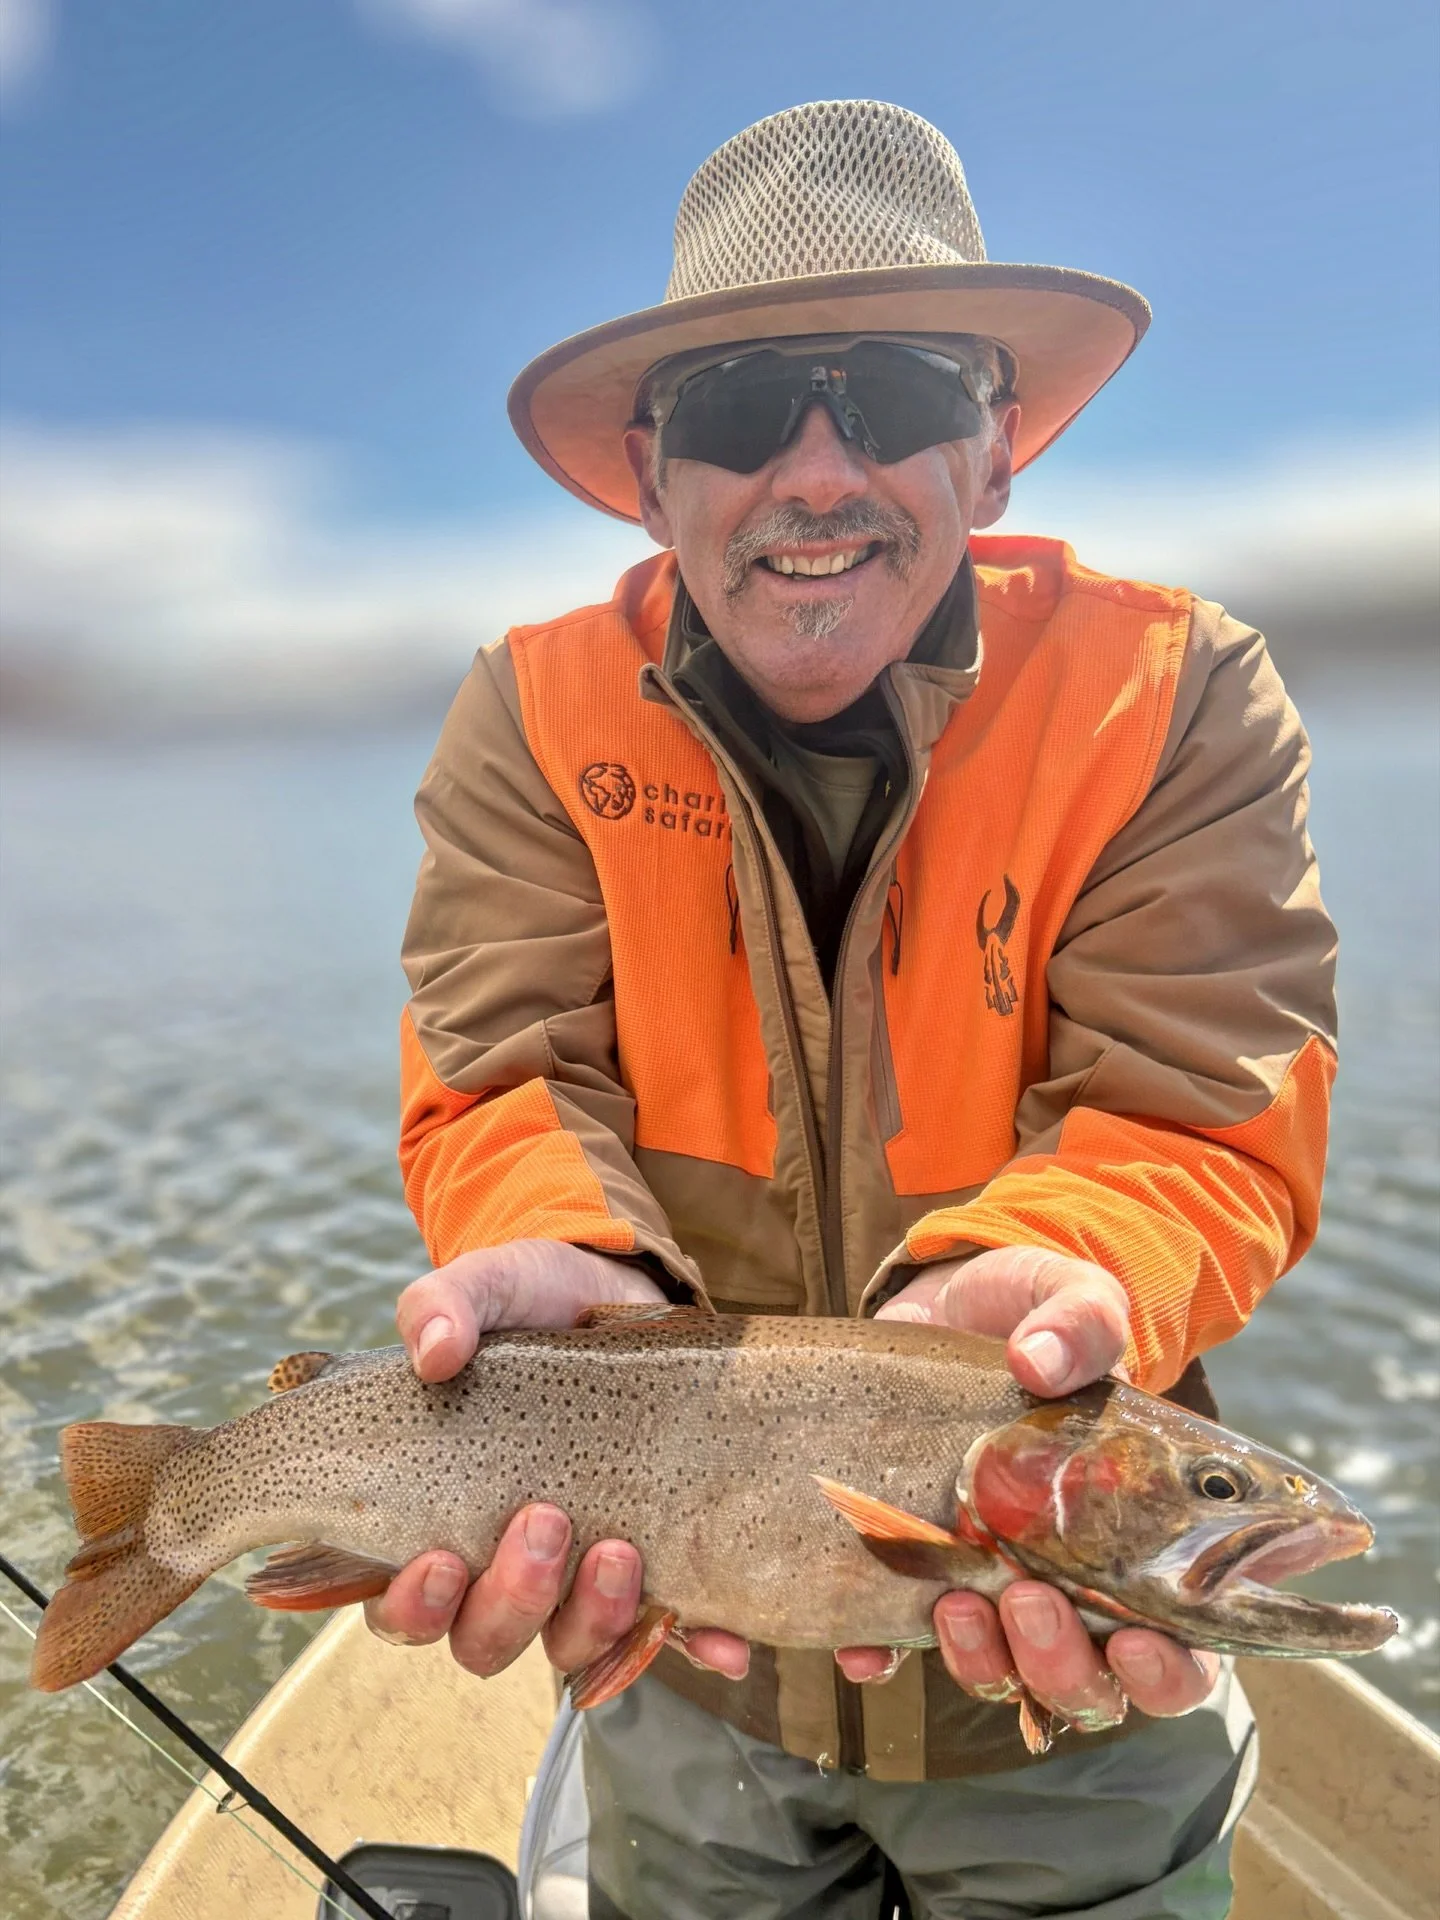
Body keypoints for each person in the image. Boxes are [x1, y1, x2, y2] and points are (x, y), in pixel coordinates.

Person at [365, 100, 1336, 1918]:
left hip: (1069, 1689)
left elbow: (1199, 1104)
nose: (818, 473)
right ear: (656, 476)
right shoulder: (526, 712)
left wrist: (1060, 1283)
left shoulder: (1174, 693)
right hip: (675, 1640)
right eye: (743, 410)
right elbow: (503, 1080)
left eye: (889, 396)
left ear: (996, 451)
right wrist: (559, 1261)